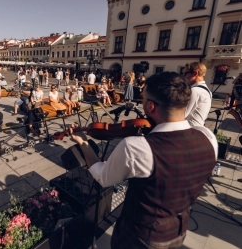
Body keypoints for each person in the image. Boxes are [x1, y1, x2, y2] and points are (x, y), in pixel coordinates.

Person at [69, 72, 217, 248]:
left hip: (141, 237)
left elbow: (103, 177)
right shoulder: (208, 137)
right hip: (178, 230)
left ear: (151, 106)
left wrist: (84, 144)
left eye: (144, 100)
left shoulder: (137, 147)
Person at [183, 62, 211, 127]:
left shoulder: (195, 91)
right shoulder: (206, 89)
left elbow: (182, 115)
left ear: (195, 73)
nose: (184, 76)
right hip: (197, 128)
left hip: (189, 129)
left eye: (186, 73)